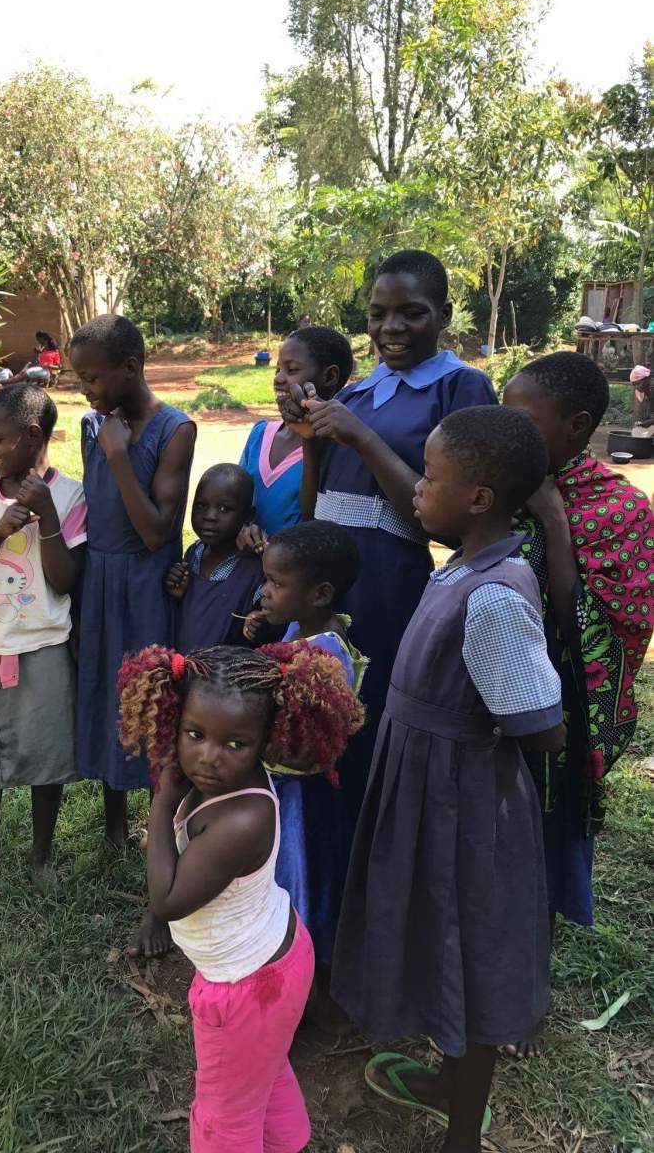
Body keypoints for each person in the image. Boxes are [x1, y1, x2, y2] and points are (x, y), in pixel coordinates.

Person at [332, 406, 565, 1153]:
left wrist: (461, 731)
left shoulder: (494, 596)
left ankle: (463, 1129)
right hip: (425, 786)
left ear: (477, 499)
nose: (416, 490)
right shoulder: (464, 565)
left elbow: (540, 725)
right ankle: (443, 1080)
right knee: (439, 933)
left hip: (465, 802)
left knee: (472, 947)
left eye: (430, 478)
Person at [283, 249, 497, 831]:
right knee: (316, 713)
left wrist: (361, 438)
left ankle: (374, 853)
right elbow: (315, 511)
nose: (391, 328)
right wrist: (312, 440)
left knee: (370, 717)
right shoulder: (355, 394)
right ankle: (316, 850)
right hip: (324, 588)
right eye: (378, 314)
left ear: (444, 315)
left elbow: (445, 524)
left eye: (412, 313)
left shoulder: (461, 388)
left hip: (386, 585)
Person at [117, 642, 361, 1153]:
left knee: (223, 1122)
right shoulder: (219, 784)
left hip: (247, 989)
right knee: (264, 1073)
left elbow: (167, 900)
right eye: (195, 734)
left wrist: (161, 805)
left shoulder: (242, 819)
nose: (209, 756)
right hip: (274, 962)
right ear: (174, 719)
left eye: (235, 744)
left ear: (266, 741)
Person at [502, 353, 654, 1055]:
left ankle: (525, 992)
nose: (509, 431)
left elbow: (587, 627)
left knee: (542, 845)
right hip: (494, 697)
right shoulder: (502, 485)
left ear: (578, 426)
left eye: (524, 421)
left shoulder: (621, 511)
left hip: (562, 717)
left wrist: (552, 520)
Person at [70, 314, 196, 958]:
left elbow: (154, 531)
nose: (85, 390)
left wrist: (120, 456)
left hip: (145, 587)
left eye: (93, 378)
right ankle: (114, 825)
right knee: (102, 694)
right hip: (99, 582)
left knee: (151, 713)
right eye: (79, 379)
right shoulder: (92, 423)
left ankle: (161, 864)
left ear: (130, 369)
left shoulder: (176, 430)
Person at [0, 384, 87, 898]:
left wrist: (46, 514)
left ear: (32, 436)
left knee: (46, 759)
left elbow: (64, 581)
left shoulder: (70, 495)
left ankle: (41, 854)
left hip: (42, 643)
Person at [244, 520, 367, 1024]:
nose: (263, 591)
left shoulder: (324, 658)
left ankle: (297, 999)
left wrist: (248, 738)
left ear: (319, 593)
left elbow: (300, 751)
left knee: (298, 892)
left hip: (302, 799)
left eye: (275, 583)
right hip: (292, 792)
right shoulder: (307, 629)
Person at [238, 326, 353, 549]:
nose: (278, 378)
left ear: (329, 377)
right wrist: (243, 529)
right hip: (247, 565)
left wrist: (311, 440)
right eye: (277, 369)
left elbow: (315, 518)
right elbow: (235, 501)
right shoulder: (260, 434)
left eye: (291, 370)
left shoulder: (337, 447)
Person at [165, 464, 263, 653]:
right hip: (181, 664)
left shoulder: (254, 569)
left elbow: (265, 624)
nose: (209, 516)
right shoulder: (194, 554)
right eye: (201, 506)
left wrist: (259, 623)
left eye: (224, 509)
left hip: (225, 669)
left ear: (248, 516)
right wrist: (176, 591)